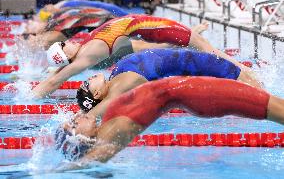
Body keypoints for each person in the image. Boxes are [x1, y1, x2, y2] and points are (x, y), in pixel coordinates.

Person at [55, 76, 284, 163]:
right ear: (82, 140)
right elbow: (85, 164)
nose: (76, 116)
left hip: (195, 91)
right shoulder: (109, 137)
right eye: (74, 125)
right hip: (201, 94)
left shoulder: (106, 124)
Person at [32, 14, 260, 99]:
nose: (66, 41)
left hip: (160, 29)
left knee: (206, 51)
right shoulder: (86, 55)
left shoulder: (88, 45)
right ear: (65, 58)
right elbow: (55, 80)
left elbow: (138, 46)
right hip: (162, 27)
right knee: (214, 54)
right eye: (63, 46)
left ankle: (249, 76)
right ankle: (251, 76)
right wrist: (30, 98)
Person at [76, 48, 255, 114]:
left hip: (191, 60)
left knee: (249, 82)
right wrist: (85, 116)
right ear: (97, 94)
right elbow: (110, 102)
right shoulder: (120, 85)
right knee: (251, 84)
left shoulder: (115, 77)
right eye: (87, 85)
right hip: (196, 64)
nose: (87, 79)